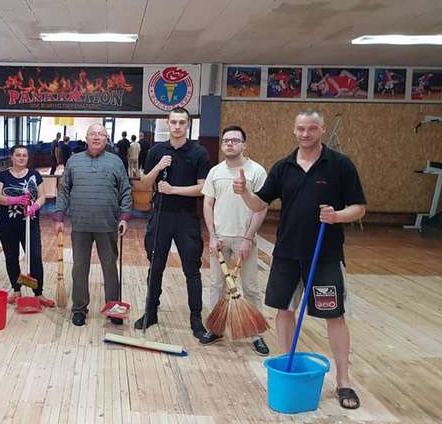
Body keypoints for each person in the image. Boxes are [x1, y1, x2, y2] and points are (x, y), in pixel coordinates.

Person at [234, 110, 366, 410]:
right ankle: (288, 366)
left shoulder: (340, 165)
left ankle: (343, 380)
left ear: (322, 130)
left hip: (325, 255)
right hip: (286, 253)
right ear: (294, 131)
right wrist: (244, 193)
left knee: (335, 315)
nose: (306, 134)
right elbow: (259, 203)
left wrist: (337, 216)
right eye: (301, 129)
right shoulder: (283, 167)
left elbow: (359, 207)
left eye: (312, 129)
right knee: (284, 310)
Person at [134, 107, 210, 339]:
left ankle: (196, 318)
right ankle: (150, 312)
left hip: (187, 218)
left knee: (191, 269)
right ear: (167, 123)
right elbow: (144, 185)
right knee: (156, 266)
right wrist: (158, 167)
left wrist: (173, 189)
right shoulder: (156, 151)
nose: (177, 126)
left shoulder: (199, 152)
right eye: (174, 122)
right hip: (161, 216)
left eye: (182, 122)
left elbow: (203, 188)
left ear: (188, 124)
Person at [199, 125, 269, 355]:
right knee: (216, 286)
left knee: (250, 288)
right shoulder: (215, 171)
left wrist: (248, 238)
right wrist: (212, 235)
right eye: (226, 140)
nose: (230, 144)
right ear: (222, 145)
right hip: (219, 239)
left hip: (244, 239)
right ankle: (215, 328)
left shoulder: (256, 171)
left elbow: (261, 207)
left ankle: (256, 334)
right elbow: (208, 204)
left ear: (244, 145)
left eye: (235, 140)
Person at [54, 124, 132, 326]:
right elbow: (64, 190)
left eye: (101, 134)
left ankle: (114, 308)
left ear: (106, 139)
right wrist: (59, 216)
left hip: (108, 224)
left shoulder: (116, 161)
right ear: (86, 138)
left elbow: (125, 190)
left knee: (110, 268)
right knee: (79, 268)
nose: (97, 137)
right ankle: (79, 308)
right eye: (93, 134)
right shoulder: (74, 161)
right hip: (80, 224)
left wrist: (124, 217)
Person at [0, 145, 54, 306]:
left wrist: (34, 207)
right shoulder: (3, 175)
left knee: (35, 257)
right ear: (12, 157)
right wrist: (15, 200)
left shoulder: (35, 175)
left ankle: (38, 293)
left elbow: (42, 196)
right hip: (7, 223)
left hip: (30, 223)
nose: (21, 158)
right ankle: (16, 290)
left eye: (24, 155)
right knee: (11, 257)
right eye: (18, 155)